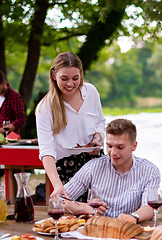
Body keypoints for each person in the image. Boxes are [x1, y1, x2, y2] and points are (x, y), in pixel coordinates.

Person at [35, 52, 105, 202]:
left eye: (75, 78)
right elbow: (46, 150)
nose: (70, 84)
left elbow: (100, 122)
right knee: (75, 218)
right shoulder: (44, 108)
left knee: (103, 212)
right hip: (67, 168)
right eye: (64, 78)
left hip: (96, 163)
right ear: (54, 75)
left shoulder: (91, 91)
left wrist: (96, 138)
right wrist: (57, 185)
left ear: (81, 74)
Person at [63, 118, 161, 223]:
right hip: (97, 232)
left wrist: (133, 217)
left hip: (129, 231)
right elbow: (59, 200)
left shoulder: (150, 171)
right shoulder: (92, 167)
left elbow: (150, 207)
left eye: (120, 147)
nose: (113, 153)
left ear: (134, 146)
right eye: (109, 146)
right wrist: (84, 207)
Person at [0, 70, 26, 183]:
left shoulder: (15, 96)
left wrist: (1, 130)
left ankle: (14, 199)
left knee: (14, 175)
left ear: (4, 83)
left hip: (11, 141)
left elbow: (21, 120)